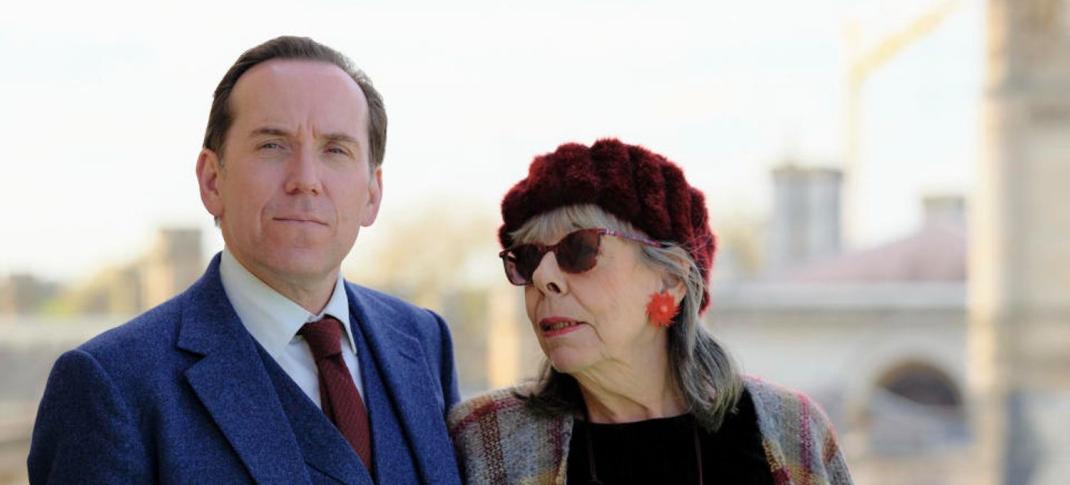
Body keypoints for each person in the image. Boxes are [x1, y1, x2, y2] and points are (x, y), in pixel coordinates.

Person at [28, 36, 461, 485]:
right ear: (212, 180)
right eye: (273, 145)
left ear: (372, 193)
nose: (306, 181)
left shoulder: (423, 341)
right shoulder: (112, 386)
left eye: (335, 150)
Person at [448, 139, 853, 484]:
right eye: (528, 258)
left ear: (671, 281)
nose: (543, 278)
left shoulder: (792, 431)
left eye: (580, 248)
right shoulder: (484, 440)